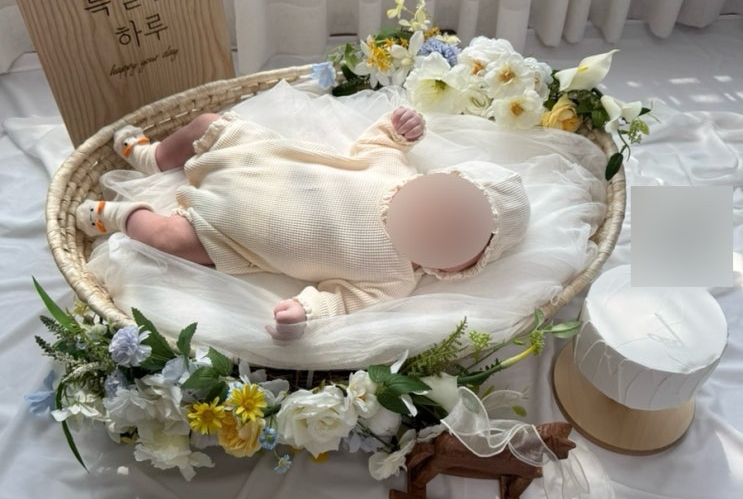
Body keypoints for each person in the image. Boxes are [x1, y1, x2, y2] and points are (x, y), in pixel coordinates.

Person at [76, 107, 530, 339]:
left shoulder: (393, 280)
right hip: (256, 161)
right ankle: (155, 157)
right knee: (209, 124)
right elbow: (378, 143)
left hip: (233, 230)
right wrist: (399, 128)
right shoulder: (394, 171)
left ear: (462, 266)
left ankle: (120, 216)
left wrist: (306, 313)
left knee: (169, 238)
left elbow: (343, 303)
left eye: (462, 238)